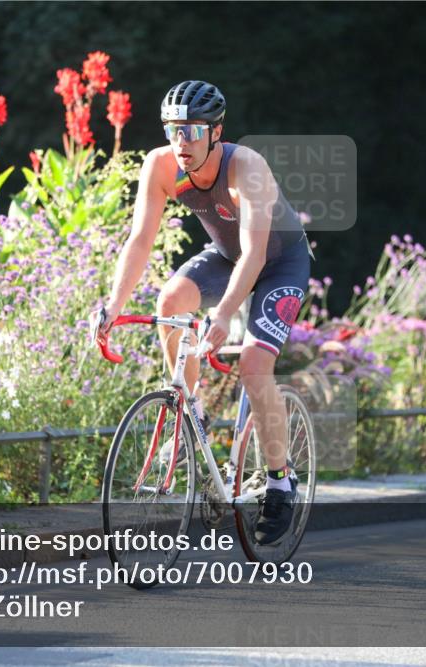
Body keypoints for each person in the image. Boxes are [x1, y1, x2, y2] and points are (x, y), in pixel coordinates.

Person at [97, 81, 311, 544]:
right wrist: (113, 305)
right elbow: (140, 240)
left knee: (255, 367)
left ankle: (280, 481)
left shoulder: (246, 166)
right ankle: (190, 408)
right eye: (173, 130)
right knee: (170, 303)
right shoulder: (160, 166)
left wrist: (222, 316)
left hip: (280, 263)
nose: (181, 142)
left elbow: (255, 256)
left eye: (192, 130)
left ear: (217, 132)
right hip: (226, 256)